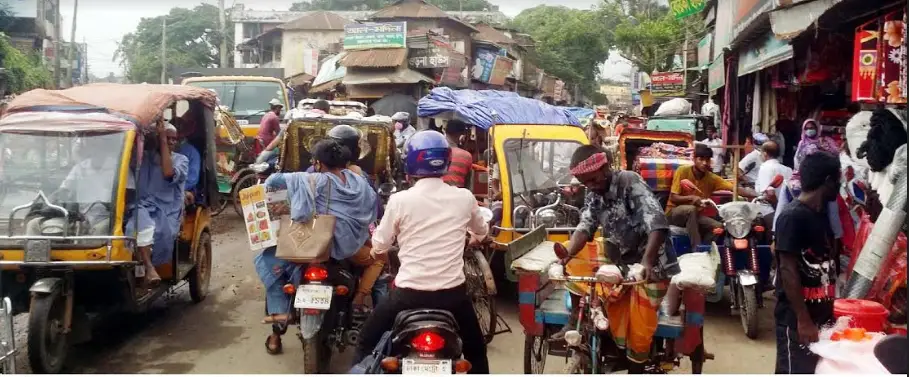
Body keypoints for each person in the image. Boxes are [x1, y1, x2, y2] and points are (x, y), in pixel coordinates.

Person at [355, 130, 490, 374]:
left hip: (408, 294)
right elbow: (481, 231)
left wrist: (377, 250)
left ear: (411, 162)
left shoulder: (400, 200)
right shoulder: (464, 197)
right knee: (476, 351)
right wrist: (473, 238)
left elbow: (380, 244)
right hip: (453, 296)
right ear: (446, 161)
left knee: (366, 340)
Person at [555, 145, 679, 373]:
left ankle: (635, 365)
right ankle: (575, 319)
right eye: (585, 183)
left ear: (605, 167)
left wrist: (647, 263)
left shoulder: (630, 182)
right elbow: (586, 226)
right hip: (620, 259)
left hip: (653, 264)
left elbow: (657, 223)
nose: (590, 186)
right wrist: (567, 255)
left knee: (639, 328)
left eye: (592, 179)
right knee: (569, 252)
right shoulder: (594, 194)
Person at [256, 138, 379, 355]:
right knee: (379, 260)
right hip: (347, 249)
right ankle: (363, 304)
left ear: (319, 163)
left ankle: (276, 332)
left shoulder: (310, 180)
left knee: (271, 262)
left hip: (310, 246)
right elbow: (373, 207)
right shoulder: (358, 182)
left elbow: (274, 181)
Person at [773, 152, 841, 374]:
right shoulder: (792, 217)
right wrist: (803, 319)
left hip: (820, 319)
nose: (840, 186)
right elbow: (787, 269)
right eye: (838, 179)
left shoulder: (820, 215)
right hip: (796, 322)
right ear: (828, 181)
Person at [127, 121, 189, 285]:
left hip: (166, 211)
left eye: (174, 139)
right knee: (131, 226)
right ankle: (141, 269)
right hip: (140, 207)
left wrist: (162, 138)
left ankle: (148, 268)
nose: (171, 142)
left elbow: (168, 173)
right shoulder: (144, 158)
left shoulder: (181, 160)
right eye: (167, 138)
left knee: (152, 229)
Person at [666, 144, 756, 249]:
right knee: (691, 209)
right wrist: (692, 198)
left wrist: (756, 195)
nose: (704, 163)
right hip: (674, 213)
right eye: (701, 159)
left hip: (695, 216)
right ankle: (697, 249)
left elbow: (734, 188)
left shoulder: (712, 178)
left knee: (719, 226)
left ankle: (707, 249)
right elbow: (673, 197)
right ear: (694, 159)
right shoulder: (682, 171)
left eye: (707, 160)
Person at [26, 136, 119, 236]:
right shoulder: (80, 167)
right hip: (79, 216)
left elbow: (129, 195)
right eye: (90, 144)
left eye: (97, 144)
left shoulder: (117, 167)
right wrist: (45, 204)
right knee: (33, 224)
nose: (93, 148)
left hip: (106, 217)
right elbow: (64, 189)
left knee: (100, 231)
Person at [755, 140, 793, 226]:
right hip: (786, 210)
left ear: (765, 154)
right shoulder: (788, 170)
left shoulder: (765, 168)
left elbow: (769, 194)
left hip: (769, 211)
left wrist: (777, 207)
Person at [442, 119, 473, 188]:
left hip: (436, 195)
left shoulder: (435, 151)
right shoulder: (466, 156)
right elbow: (468, 185)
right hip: (458, 195)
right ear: (461, 135)